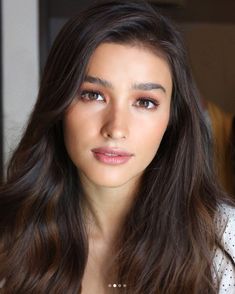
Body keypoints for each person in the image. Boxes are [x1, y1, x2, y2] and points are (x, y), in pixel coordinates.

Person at [0, 0, 234, 293]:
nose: (116, 129)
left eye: (145, 102)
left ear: (172, 120)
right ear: (58, 104)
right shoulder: (9, 237)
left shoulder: (224, 243)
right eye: (93, 95)